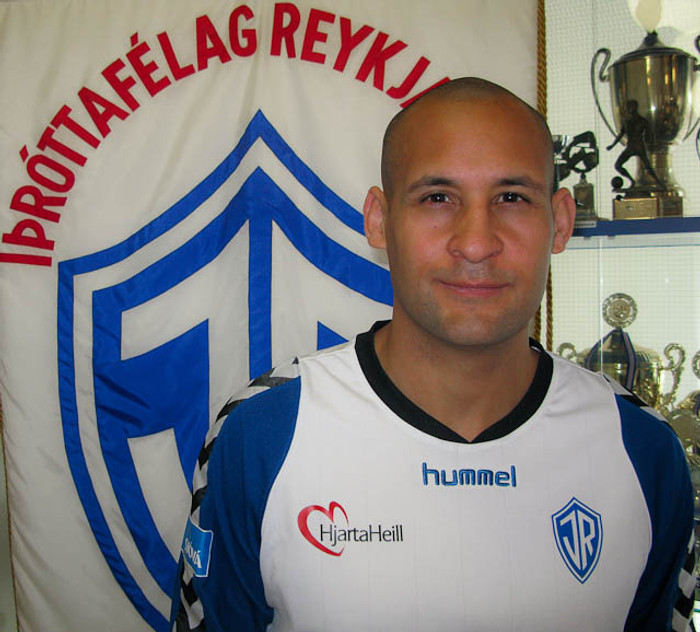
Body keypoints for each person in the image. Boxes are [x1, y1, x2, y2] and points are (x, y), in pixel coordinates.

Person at [171, 77, 695, 632]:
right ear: (379, 220)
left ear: (560, 222)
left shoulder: (642, 449)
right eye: (437, 198)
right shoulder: (263, 434)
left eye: (512, 198)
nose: (476, 243)